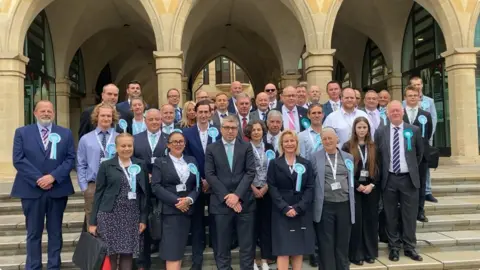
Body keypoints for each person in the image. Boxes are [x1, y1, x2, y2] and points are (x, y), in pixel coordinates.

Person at [12, 100, 75, 270]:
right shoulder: (22, 133)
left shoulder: (66, 133)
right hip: (31, 190)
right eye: (42, 110)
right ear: (35, 113)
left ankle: (54, 265)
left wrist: (53, 177)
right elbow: (18, 159)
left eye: (49, 111)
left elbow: (70, 159)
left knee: (55, 232)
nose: (46, 113)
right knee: (33, 233)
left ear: (54, 113)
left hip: (57, 190)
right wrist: (39, 179)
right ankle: (33, 266)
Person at [89, 133, 149, 270]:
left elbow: (144, 194)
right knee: (111, 253)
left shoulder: (140, 165)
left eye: (129, 145)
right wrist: (93, 222)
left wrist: (143, 219)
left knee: (127, 252)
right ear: (116, 148)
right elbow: (99, 194)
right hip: (109, 215)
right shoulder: (106, 165)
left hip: (131, 216)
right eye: (123, 146)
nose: (126, 148)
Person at [205, 115, 256, 270]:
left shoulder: (246, 147)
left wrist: (237, 195)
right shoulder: (212, 148)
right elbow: (210, 174)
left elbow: (250, 172)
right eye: (226, 128)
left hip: (244, 203)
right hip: (221, 204)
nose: (230, 131)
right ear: (221, 129)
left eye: (233, 128)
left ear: (237, 129)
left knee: (247, 246)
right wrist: (228, 197)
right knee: (222, 246)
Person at [374, 100, 424, 262]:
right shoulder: (381, 131)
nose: (395, 113)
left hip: (408, 179)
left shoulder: (414, 130)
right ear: (387, 114)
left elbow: (419, 154)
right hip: (389, 179)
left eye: (397, 110)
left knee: (409, 215)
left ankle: (409, 247)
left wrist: (408, 168)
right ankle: (394, 247)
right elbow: (379, 156)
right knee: (390, 215)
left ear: (402, 112)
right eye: (392, 111)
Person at [151, 131, 200, 270]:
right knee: (173, 252)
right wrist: (177, 201)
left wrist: (189, 199)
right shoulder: (160, 162)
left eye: (181, 142)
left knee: (179, 250)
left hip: (189, 211)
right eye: (175, 142)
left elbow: (197, 185)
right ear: (168, 145)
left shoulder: (192, 160)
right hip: (171, 212)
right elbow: (156, 186)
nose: (178, 144)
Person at [267, 130, 314, 270]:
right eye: (286, 141)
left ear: (297, 143)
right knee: (283, 249)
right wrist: (285, 208)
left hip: (301, 210)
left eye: (292, 140)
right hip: (281, 211)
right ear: (281, 144)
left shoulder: (306, 163)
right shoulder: (275, 163)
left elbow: (310, 187)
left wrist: (299, 207)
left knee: (298, 249)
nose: (289, 144)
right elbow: (272, 187)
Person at [184, 100, 222, 270]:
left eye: (207, 112)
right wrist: (200, 179)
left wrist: (211, 179)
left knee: (216, 220)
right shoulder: (187, 133)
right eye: (201, 112)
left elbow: (222, 159)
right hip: (196, 183)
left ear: (211, 113)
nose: (204, 115)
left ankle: (220, 258)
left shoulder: (220, 133)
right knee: (197, 223)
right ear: (196, 113)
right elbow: (186, 159)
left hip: (216, 184)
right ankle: (197, 261)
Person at [311, 127, 355, 270]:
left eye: (330, 138)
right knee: (326, 243)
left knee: (343, 242)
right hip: (325, 206)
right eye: (324, 139)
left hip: (344, 204)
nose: (328, 141)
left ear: (337, 139)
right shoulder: (315, 157)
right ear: (321, 141)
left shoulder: (348, 157)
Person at [341, 117, 379, 265]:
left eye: (364, 127)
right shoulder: (347, 146)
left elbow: (378, 168)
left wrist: (372, 185)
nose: (362, 130)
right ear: (354, 129)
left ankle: (370, 253)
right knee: (356, 222)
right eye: (359, 127)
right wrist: (357, 185)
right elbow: (344, 169)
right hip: (354, 189)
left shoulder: (374, 147)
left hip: (371, 190)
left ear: (368, 129)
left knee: (370, 221)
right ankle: (356, 254)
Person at [77, 102, 119, 227]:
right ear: (97, 117)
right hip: (93, 185)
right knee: (93, 223)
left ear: (113, 118)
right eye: (103, 116)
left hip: (115, 185)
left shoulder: (119, 138)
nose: (106, 118)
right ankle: (96, 246)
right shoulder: (86, 139)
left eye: (109, 116)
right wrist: (84, 187)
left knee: (114, 221)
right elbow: (81, 164)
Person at [244, 120, 275, 270]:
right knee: (250, 227)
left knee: (265, 226)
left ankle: (264, 259)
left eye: (259, 129)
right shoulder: (244, 148)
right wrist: (252, 188)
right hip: (250, 191)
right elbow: (242, 171)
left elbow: (274, 168)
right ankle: (250, 260)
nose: (256, 132)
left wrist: (266, 186)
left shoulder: (269, 147)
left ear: (263, 131)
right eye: (253, 130)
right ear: (249, 133)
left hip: (267, 191)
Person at [403, 86, 433, 222]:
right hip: (404, 156)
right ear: (405, 98)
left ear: (419, 97)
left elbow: (428, 133)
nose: (413, 97)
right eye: (410, 95)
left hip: (421, 156)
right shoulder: (400, 114)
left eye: (415, 95)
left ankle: (420, 211)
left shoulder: (425, 115)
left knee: (420, 183)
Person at [409, 76, 438, 203]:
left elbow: (434, 119)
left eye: (419, 84)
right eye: (414, 84)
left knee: (425, 165)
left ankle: (427, 191)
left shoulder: (429, 101)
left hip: (425, 139)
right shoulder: (405, 102)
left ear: (422, 85)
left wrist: (428, 137)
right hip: (409, 139)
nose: (417, 86)